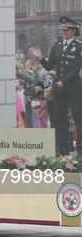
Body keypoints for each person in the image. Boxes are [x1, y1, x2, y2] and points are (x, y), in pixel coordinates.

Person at [29, 16, 82, 157]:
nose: (63, 32)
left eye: (67, 30)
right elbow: (50, 65)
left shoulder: (79, 47)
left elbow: (76, 69)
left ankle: (80, 152)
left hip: (74, 88)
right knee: (59, 120)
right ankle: (63, 152)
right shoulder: (56, 46)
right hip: (59, 89)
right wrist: (41, 58)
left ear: (74, 31)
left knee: (78, 119)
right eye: (62, 29)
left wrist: (64, 81)